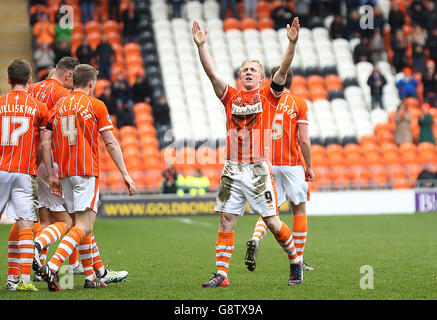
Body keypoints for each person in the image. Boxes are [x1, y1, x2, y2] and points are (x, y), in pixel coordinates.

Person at [192, 17, 303, 287]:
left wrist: (292, 43)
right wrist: (201, 46)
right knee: (226, 220)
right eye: (245, 70)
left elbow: (284, 69)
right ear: (239, 76)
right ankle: (222, 274)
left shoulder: (268, 95)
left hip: (257, 169)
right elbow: (211, 73)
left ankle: (295, 260)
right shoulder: (230, 96)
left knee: (273, 223)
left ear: (262, 77)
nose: (249, 73)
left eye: (254, 70)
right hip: (232, 168)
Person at [36, 64, 136, 291]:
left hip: (64, 174)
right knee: (83, 225)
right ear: (91, 83)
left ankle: (92, 276)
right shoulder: (96, 105)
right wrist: (125, 174)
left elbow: (46, 141)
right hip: (86, 171)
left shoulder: (59, 106)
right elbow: (110, 142)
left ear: (74, 81)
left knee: (81, 227)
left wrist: (52, 174)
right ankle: (52, 265)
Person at [245, 66, 314, 273]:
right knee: (299, 209)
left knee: (269, 210)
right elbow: (304, 140)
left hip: (266, 162)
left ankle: (255, 238)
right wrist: (309, 165)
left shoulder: (263, 101)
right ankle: (298, 261)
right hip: (291, 163)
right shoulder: (298, 103)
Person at [1, 59, 49, 292]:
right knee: (26, 224)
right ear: (30, 80)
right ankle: (22, 280)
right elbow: (43, 145)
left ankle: (12, 280)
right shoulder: (40, 108)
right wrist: (37, 163)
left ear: (9, 80)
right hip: (23, 172)